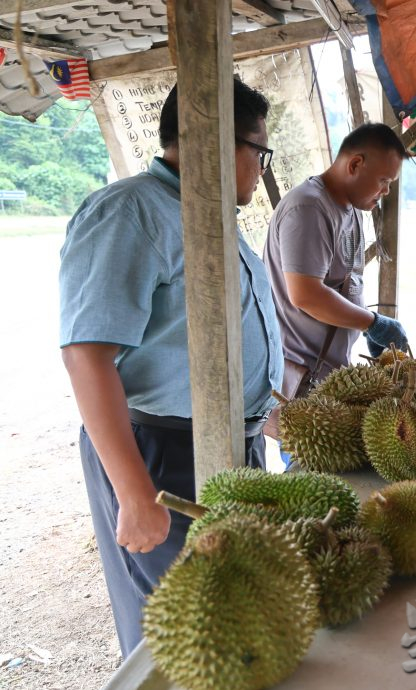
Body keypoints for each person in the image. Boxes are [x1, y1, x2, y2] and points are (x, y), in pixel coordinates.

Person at [59, 77, 283, 657]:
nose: (260, 168)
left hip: (230, 450)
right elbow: (87, 353)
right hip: (161, 454)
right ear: (216, 141)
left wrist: (268, 416)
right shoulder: (130, 211)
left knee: (237, 618)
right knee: (185, 634)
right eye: (260, 151)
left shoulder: (208, 218)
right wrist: (135, 493)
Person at [263, 123, 408, 403]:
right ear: (355, 164)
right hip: (301, 380)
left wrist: (365, 325)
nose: (386, 191)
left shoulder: (350, 209)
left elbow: (345, 284)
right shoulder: (308, 208)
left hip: (330, 378)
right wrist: (372, 322)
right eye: (384, 181)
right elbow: (306, 295)